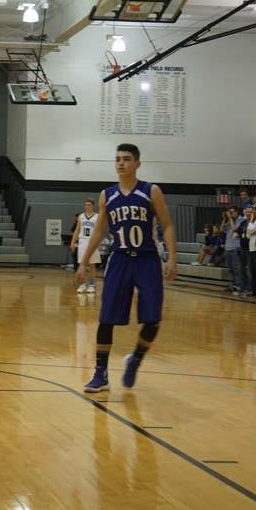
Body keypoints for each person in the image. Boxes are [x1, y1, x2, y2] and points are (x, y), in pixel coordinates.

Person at [75, 143, 177, 393]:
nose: (121, 163)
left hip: (147, 259)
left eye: (127, 159)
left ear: (137, 164)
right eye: (118, 159)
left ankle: (136, 359)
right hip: (120, 258)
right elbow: (99, 230)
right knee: (107, 318)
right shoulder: (106, 194)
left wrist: (172, 259)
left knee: (152, 318)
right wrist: (84, 261)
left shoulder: (150, 191)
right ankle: (100, 374)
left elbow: (168, 225)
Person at [70, 198, 100, 294]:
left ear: (93, 206)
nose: (87, 206)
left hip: (92, 242)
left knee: (92, 265)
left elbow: (99, 231)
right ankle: (82, 284)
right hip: (82, 241)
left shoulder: (97, 216)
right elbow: (77, 230)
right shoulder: (81, 216)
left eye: (89, 205)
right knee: (81, 264)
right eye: (86, 205)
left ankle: (91, 285)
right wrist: (73, 242)